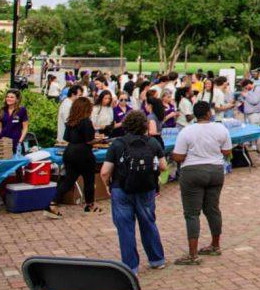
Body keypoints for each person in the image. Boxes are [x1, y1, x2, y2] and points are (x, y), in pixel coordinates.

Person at [101, 110, 167, 272]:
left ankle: (131, 267)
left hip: (121, 189)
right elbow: (164, 166)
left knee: (125, 228)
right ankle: (157, 259)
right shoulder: (152, 143)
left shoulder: (117, 144)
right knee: (148, 223)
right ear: (144, 125)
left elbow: (105, 171)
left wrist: (107, 185)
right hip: (146, 188)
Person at [171, 102, 232, 265]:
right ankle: (215, 245)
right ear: (208, 113)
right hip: (215, 171)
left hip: (192, 172)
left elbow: (178, 156)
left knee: (192, 213)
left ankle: (192, 254)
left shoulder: (187, 131)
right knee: (213, 209)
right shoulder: (221, 129)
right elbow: (227, 152)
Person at [49, 96, 100, 217]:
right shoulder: (86, 121)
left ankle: (53, 203)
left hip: (70, 151)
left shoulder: (71, 121)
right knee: (89, 180)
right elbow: (89, 140)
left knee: (69, 180)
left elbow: (66, 138)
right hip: (83, 153)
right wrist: (100, 140)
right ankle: (89, 205)